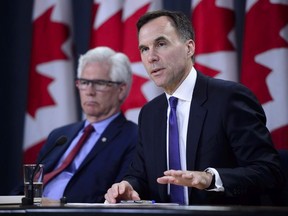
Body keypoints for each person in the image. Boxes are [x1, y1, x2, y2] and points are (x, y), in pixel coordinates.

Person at [104, 10, 285, 205]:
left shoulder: (229, 99)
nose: (151, 57)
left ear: (189, 48)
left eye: (161, 44)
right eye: (144, 49)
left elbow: (269, 172)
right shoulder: (150, 113)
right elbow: (140, 175)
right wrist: (128, 186)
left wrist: (211, 179)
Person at [12, 47, 138, 203]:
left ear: (121, 89)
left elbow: (118, 197)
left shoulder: (133, 137)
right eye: (84, 82)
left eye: (99, 83)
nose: (89, 91)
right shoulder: (59, 135)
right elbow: (26, 186)